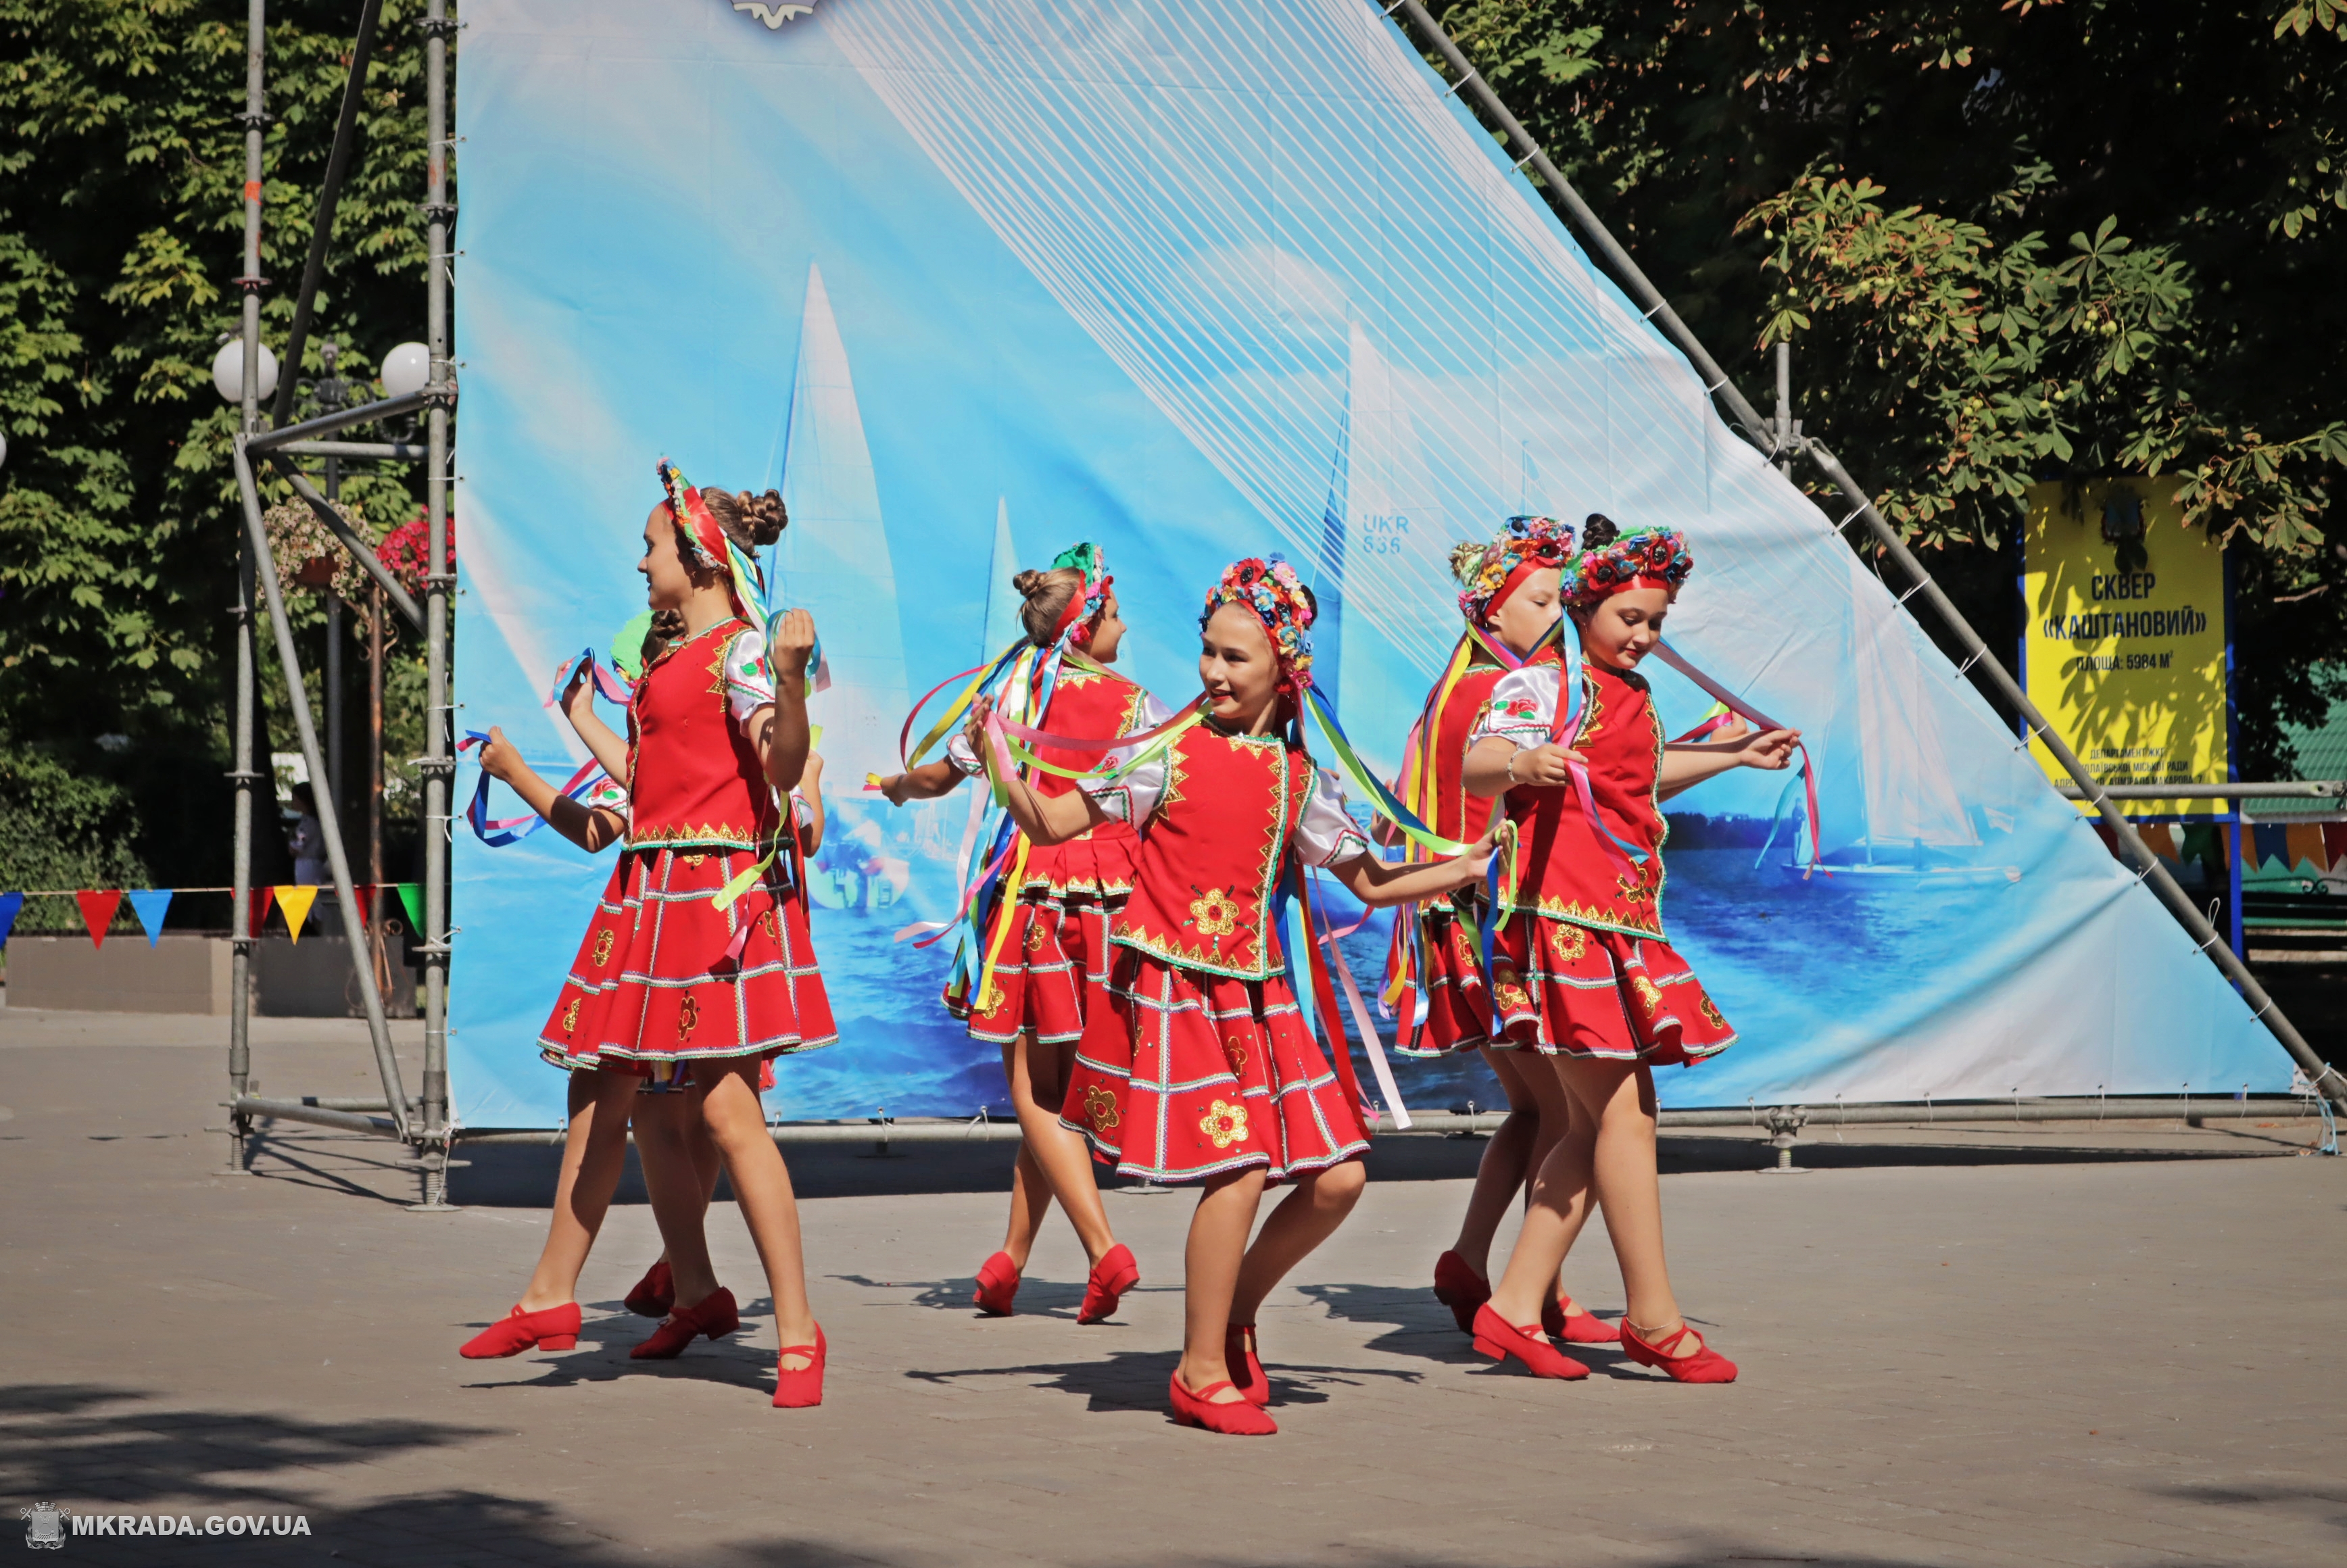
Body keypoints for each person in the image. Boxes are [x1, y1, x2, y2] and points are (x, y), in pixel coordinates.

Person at [975, 556, 1497, 1436]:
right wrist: (998, 756)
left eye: (1236, 658)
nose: (1214, 671)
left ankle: (1235, 1313)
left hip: (1257, 1002)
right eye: (1208, 652)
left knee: (1340, 1179)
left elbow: (1369, 883)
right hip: (1174, 995)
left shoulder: (1301, 782)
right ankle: (1199, 1369)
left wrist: (1469, 866)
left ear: (1285, 669)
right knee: (1242, 1166)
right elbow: (1052, 823)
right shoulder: (1164, 754)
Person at [459, 460, 837, 1408]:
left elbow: (783, 767)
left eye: (651, 545)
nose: (640, 562)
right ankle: (579, 1292)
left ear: (700, 555)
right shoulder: (670, 663)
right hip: (652, 887)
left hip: (708, 896)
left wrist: (790, 687)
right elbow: (648, 781)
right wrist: (582, 721)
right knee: (616, 1091)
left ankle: (797, 1330)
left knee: (721, 1112)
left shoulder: (746, 657)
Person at [1459, 514, 1798, 1384]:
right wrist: (1521, 765)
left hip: (1615, 918)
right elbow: (1479, 757)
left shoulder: (1630, 696)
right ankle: (1650, 1316)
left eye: (1656, 622)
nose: (1644, 636)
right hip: (1564, 922)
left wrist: (1730, 755)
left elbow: (1635, 776)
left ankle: (1513, 1304)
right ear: (1583, 607)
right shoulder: (1545, 681)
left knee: (1597, 1118)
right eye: (1631, 620)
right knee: (1622, 1114)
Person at [871, 545, 1155, 1323]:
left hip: (1036, 896)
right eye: (1116, 612)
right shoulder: (1136, 705)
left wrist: (896, 787)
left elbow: (941, 774)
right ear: (1087, 621)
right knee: (1054, 1091)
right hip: (1111, 905)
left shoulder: (1013, 694)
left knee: (1030, 1088)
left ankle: (1103, 1249)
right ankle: (1010, 1261)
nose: (1125, 627)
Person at [1388, 517, 1619, 1348]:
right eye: (1542, 599)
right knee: (1564, 1109)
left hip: (1466, 918)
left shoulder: (1471, 679)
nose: (1556, 614)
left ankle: (1487, 1263)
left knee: (1536, 1106)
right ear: (1493, 605)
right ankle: (1526, 1289)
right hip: (1488, 923)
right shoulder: (1496, 693)